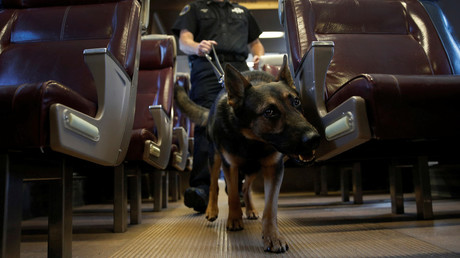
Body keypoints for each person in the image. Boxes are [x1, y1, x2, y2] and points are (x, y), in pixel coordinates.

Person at [172, 0, 265, 213]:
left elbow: (255, 42)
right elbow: (184, 41)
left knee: (240, 125)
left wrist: (259, 53)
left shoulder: (242, 11)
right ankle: (201, 189)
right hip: (207, 67)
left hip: (238, 71)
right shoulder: (195, 8)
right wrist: (197, 46)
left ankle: (238, 188)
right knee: (206, 124)